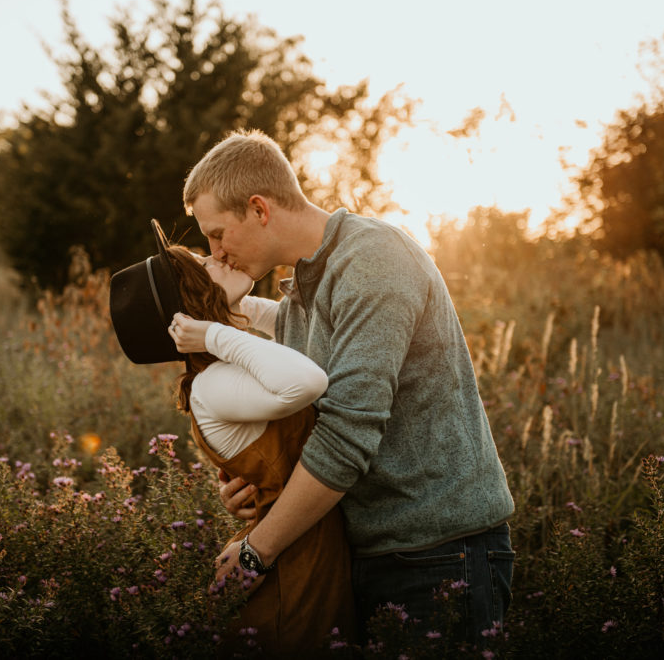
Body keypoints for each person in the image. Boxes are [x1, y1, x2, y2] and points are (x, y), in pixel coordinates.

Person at [180, 129, 516, 643]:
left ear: (259, 209)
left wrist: (257, 551)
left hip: (440, 554)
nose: (216, 252)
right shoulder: (299, 298)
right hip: (368, 551)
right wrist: (256, 487)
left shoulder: (374, 259)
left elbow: (346, 435)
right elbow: (297, 421)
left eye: (219, 234)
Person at [108, 222, 355, 654]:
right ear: (191, 303)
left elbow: (311, 340)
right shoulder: (213, 384)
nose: (217, 256)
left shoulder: (225, 369)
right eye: (204, 264)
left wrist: (230, 318)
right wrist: (215, 332)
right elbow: (309, 378)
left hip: (312, 553)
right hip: (291, 577)